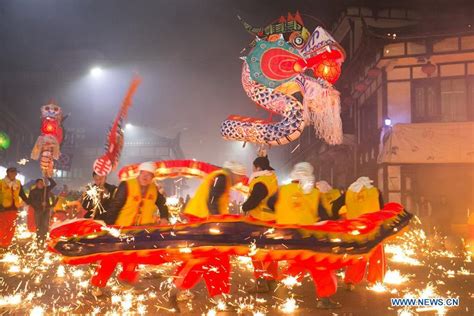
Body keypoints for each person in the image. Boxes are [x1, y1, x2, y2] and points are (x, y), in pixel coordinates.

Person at [172, 161, 247, 311]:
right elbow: (212, 201)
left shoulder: (221, 178)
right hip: (204, 223)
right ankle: (177, 288)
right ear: (234, 173)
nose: (240, 181)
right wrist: (216, 223)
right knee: (205, 259)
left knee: (214, 259)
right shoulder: (222, 177)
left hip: (206, 222)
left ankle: (214, 295)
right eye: (240, 177)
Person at [90, 162, 169, 297]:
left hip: (141, 231)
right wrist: (109, 226)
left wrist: (164, 217)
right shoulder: (126, 185)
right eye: (144, 173)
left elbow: (162, 204)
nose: (146, 177)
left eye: (149, 175)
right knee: (111, 258)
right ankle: (97, 285)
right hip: (122, 229)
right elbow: (115, 206)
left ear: (152, 177)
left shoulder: (153, 189)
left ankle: (125, 282)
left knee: (133, 258)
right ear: (139, 173)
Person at [268, 162, 340, 309]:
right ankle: (324, 299)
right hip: (308, 238)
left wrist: (284, 211)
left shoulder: (282, 190)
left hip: (286, 237)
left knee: (297, 263)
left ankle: (285, 288)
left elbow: (270, 203)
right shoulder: (314, 193)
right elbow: (325, 216)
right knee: (320, 267)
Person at [332, 176, 385, 292]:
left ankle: (351, 281)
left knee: (357, 255)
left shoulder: (349, 193)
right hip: (373, 229)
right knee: (376, 255)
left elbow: (335, 205)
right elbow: (382, 209)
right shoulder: (375, 191)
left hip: (355, 230)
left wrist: (337, 218)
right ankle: (375, 281)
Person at [242, 156, 278, 293]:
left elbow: (255, 199)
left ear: (258, 167)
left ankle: (261, 283)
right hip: (272, 220)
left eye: (253, 167)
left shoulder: (260, 181)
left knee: (256, 252)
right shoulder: (272, 178)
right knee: (270, 252)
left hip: (259, 220)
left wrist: (245, 207)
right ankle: (271, 281)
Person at [0, 167, 29, 251]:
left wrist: (29, 202)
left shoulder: (18, 183)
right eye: (11, 172)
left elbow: (22, 194)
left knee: (11, 227)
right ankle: (1, 243)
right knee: (2, 227)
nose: (13, 174)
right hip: (3, 208)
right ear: (7, 173)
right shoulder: (1, 182)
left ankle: (6, 244)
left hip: (14, 208)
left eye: (15, 172)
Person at [28, 177, 57, 245]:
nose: (41, 184)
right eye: (39, 183)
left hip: (46, 210)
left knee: (45, 224)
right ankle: (38, 239)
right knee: (38, 225)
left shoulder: (46, 189)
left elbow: (53, 184)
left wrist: (48, 177)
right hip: (38, 210)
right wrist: (40, 204)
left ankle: (44, 238)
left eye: (42, 183)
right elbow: (31, 201)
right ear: (36, 184)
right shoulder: (33, 191)